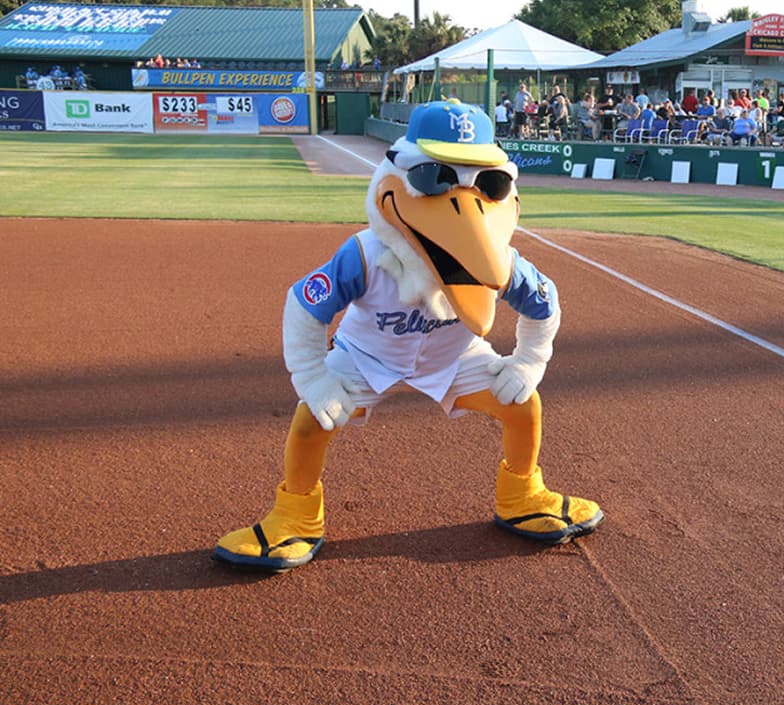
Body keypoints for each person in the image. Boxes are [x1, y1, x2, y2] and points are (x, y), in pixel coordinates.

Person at [213, 100, 603, 571]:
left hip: (455, 358)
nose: (460, 200)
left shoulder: (499, 259)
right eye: (433, 178)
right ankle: (295, 517)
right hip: (366, 355)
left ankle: (522, 496)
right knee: (311, 421)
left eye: (489, 183)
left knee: (522, 406)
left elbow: (545, 304)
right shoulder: (364, 253)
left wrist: (528, 361)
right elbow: (304, 303)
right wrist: (314, 377)